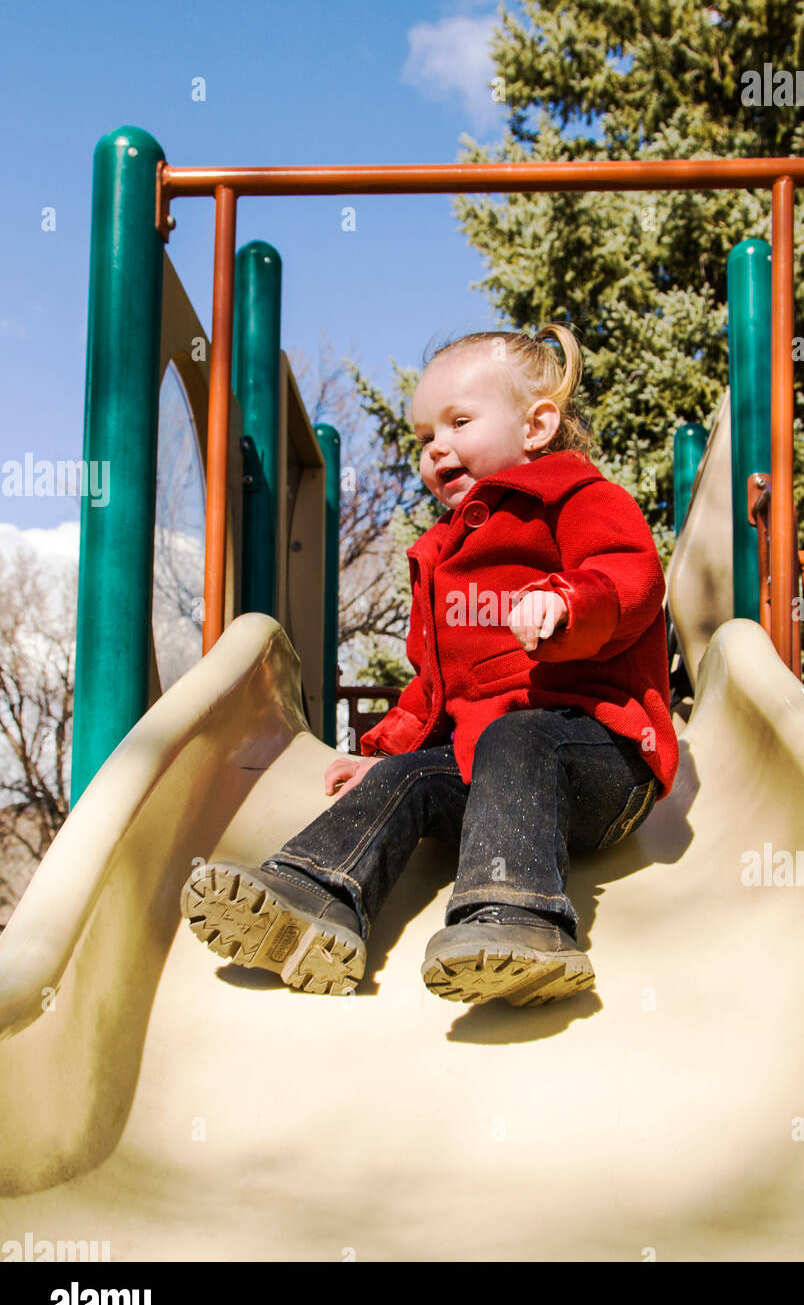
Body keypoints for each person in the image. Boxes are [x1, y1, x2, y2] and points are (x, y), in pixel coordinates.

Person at [180, 323, 679, 1008]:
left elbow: (631, 577)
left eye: (459, 422)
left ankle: (518, 922)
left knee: (518, 731)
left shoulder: (576, 498)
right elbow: (435, 683)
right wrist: (385, 754)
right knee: (414, 772)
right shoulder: (443, 552)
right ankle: (313, 895)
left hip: (600, 760)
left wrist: (569, 601)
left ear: (537, 425)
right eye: (423, 436)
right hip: (489, 771)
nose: (435, 447)